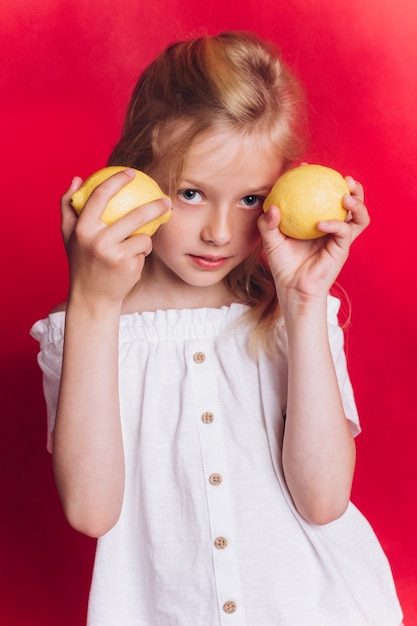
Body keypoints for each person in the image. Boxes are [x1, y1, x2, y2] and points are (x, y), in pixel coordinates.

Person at [31, 31, 403, 626]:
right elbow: (92, 510)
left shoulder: (293, 313)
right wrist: (93, 306)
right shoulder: (87, 331)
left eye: (252, 198)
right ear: (136, 177)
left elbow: (324, 500)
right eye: (192, 193)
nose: (221, 233)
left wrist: (305, 302)